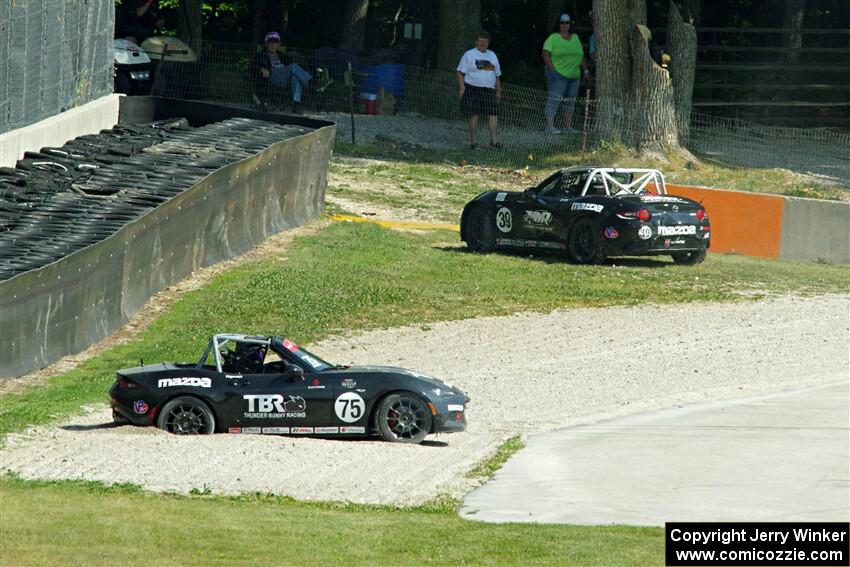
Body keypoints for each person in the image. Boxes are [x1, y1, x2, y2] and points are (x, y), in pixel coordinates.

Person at [542, 13, 589, 134]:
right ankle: (549, 126)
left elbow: (581, 55)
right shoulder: (553, 37)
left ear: (570, 24)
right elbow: (545, 54)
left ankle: (568, 127)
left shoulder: (575, 38)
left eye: (567, 22)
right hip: (558, 75)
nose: (564, 25)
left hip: (574, 76)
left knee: (570, 101)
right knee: (554, 100)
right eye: (562, 22)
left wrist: (586, 70)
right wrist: (553, 70)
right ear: (558, 24)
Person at [456, 30, 503, 150]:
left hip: (489, 90)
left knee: (493, 114)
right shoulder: (469, 55)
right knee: (474, 115)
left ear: (488, 43)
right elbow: (460, 72)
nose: (482, 43)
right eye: (480, 41)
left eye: (485, 41)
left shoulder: (492, 55)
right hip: (473, 89)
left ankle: (494, 141)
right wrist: (462, 88)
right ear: (476, 42)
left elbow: (497, 74)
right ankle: (473, 142)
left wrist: (498, 89)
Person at [251, 31, 312, 113]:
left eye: (275, 43)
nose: (273, 45)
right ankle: (312, 83)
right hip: (272, 75)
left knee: (295, 77)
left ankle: (296, 104)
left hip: (284, 78)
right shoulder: (260, 55)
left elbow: (289, 68)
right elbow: (253, 66)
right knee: (293, 66)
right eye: (270, 42)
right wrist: (261, 69)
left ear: (279, 44)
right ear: (266, 44)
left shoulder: (283, 56)